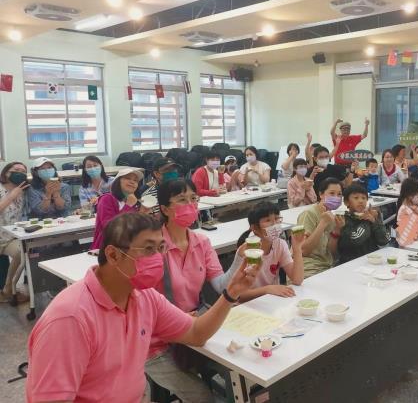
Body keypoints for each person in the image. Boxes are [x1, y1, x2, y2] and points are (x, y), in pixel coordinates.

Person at [26, 212, 257, 403]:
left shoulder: (144, 297)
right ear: (114, 255)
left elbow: (196, 334)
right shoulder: (70, 318)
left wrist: (230, 294)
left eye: (160, 248)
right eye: (148, 249)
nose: (158, 258)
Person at [146, 179, 246, 401]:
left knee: (240, 364)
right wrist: (175, 319)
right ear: (164, 208)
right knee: (201, 395)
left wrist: (239, 257)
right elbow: (139, 301)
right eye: (181, 200)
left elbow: (221, 285)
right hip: (155, 342)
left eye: (193, 199)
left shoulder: (201, 242)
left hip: (194, 326)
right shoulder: (152, 246)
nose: (190, 205)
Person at [236, 202, 304, 301]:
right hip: (249, 304)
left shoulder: (280, 244)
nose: (275, 224)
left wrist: (297, 248)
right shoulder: (247, 251)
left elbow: (297, 280)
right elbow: (239, 296)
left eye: (277, 219)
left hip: (271, 299)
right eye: (268, 220)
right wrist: (266, 290)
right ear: (254, 228)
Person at [298, 177, 345, 278]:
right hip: (307, 267)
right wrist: (323, 223)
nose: (336, 197)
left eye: (339, 194)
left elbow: (332, 253)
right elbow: (304, 251)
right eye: (332, 193)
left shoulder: (334, 217)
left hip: (326, 266)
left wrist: (336, 231)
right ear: (321, 194)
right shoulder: (309, 214)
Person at [92, 167, 144, 250]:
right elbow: (110, 228)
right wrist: (128, 206)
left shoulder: (136, 203)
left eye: (135, 180)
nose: (132, 182)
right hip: (107, 248)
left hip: (129, 248)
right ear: (118, 181)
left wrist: (144, 214)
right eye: (128, 178)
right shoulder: (107, 199)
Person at [337, 183, 390, 264]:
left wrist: (375, 222)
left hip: (372, 260)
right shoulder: (344, 219)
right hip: (351, 262)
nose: (361, 201)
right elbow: (356, 239)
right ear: (346, 202)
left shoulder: (371, 217)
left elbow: (384, 240)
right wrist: (366, 221)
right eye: (356, 198)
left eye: (364, 198)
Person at [0, 162, 29, 304]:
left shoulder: (22, 191)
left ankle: (8, 289)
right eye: (16, 170)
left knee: (22, 251)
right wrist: (11, 196)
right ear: (6, 173)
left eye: (23, 171)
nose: (20, 173)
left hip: (10, 237)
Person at [395, 178, 418, 247]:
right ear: (409, 195)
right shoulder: (403, 209)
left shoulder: (417, 206)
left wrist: (417, 211)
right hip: (407, 244)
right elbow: (402, 232)